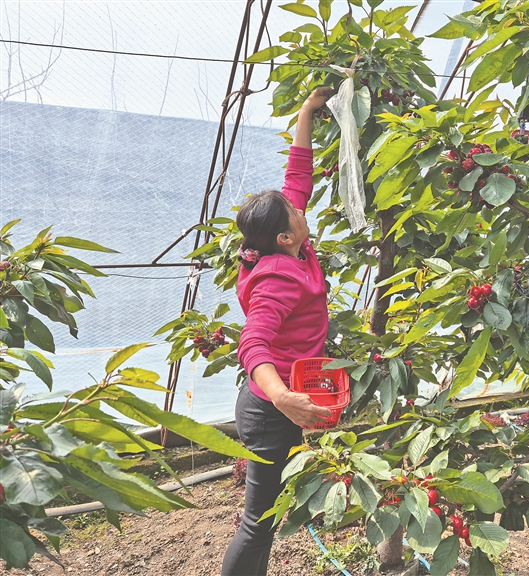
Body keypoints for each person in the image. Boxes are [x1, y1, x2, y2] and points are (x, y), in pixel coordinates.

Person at [221, 86, 335, 576]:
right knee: (258, 522)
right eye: (295, 212)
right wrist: (283, 396)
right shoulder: (278, 277)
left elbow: (298, 175)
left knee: (267, 515)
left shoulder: (286, 242)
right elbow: (253, 343)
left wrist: (307, 111)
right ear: (286, 236)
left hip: (285, 398)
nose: (301, 207)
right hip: (271, 409)